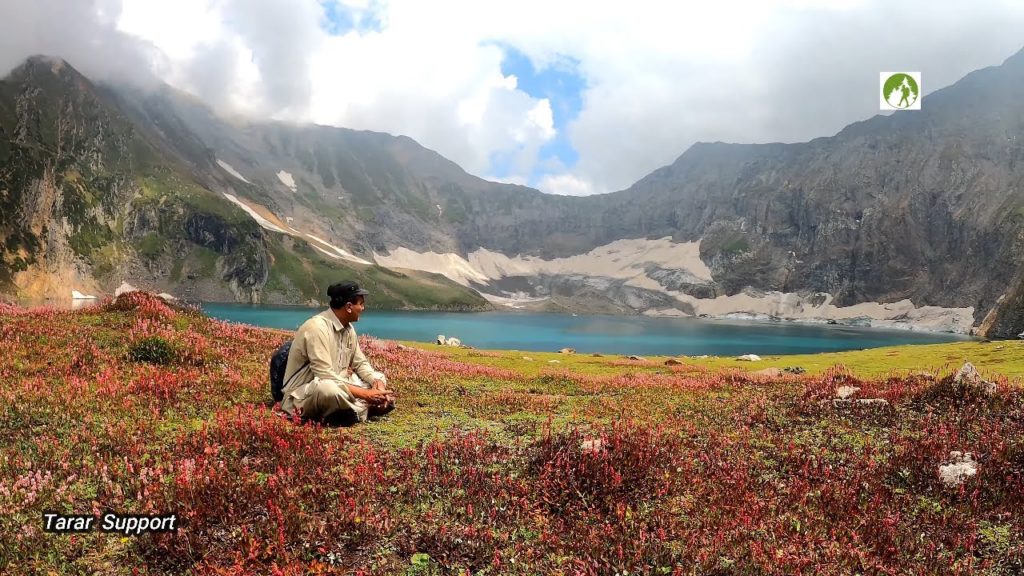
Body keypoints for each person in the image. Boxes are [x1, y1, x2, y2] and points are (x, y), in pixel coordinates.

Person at [279, 281, 396, 425]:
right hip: (305, 391)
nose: (363, 308)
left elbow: (360, 364)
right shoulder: (316, 327)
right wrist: (366, 394)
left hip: (340, 384)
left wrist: (378, 386)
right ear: (348, 307)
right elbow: (324, 375)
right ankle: (363, 409)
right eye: (360, 304)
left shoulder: (349, 329)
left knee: (379, 376)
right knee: (328, 390)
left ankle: (355, 408)